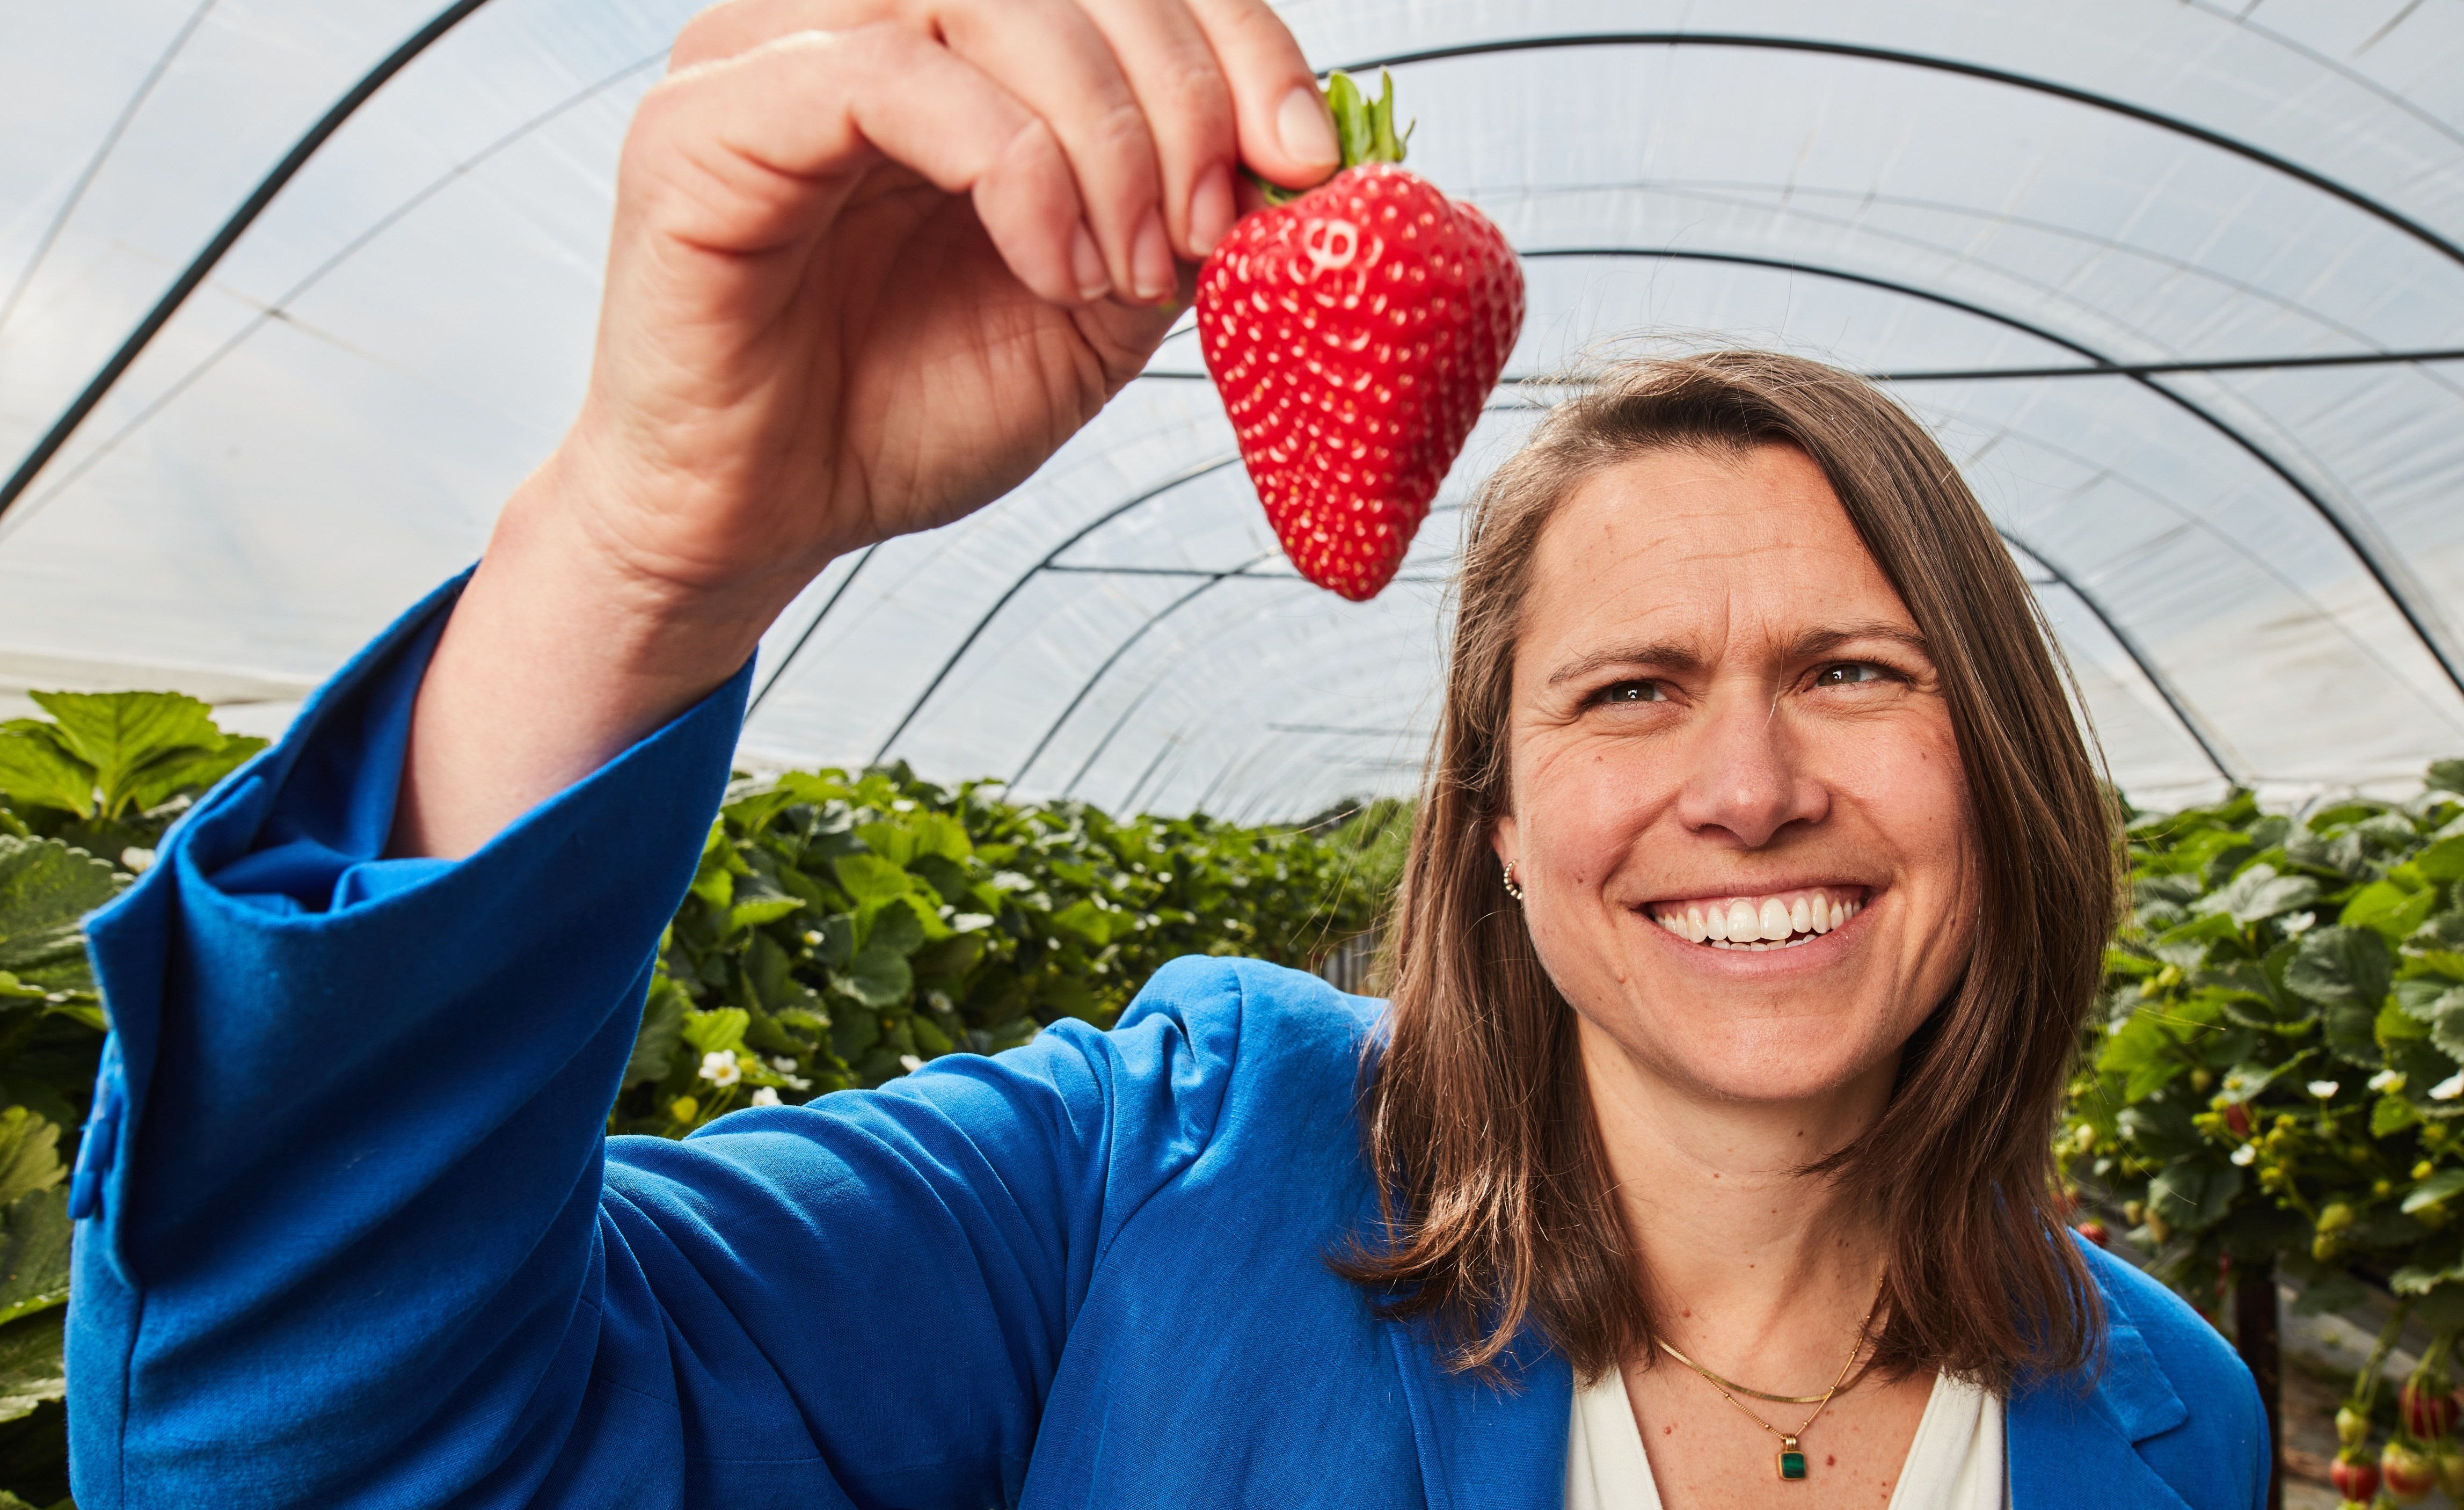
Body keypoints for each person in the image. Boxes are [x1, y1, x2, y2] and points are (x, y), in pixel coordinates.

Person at [61, 2, 2269, 1506]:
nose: (1748, 779)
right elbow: (302, 1447)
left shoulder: (2176, 1414)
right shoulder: (1161, 1174)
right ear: (1496, 833)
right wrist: (645, 548)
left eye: (1858, 669)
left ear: (2002, 764)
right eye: (1624, 688)